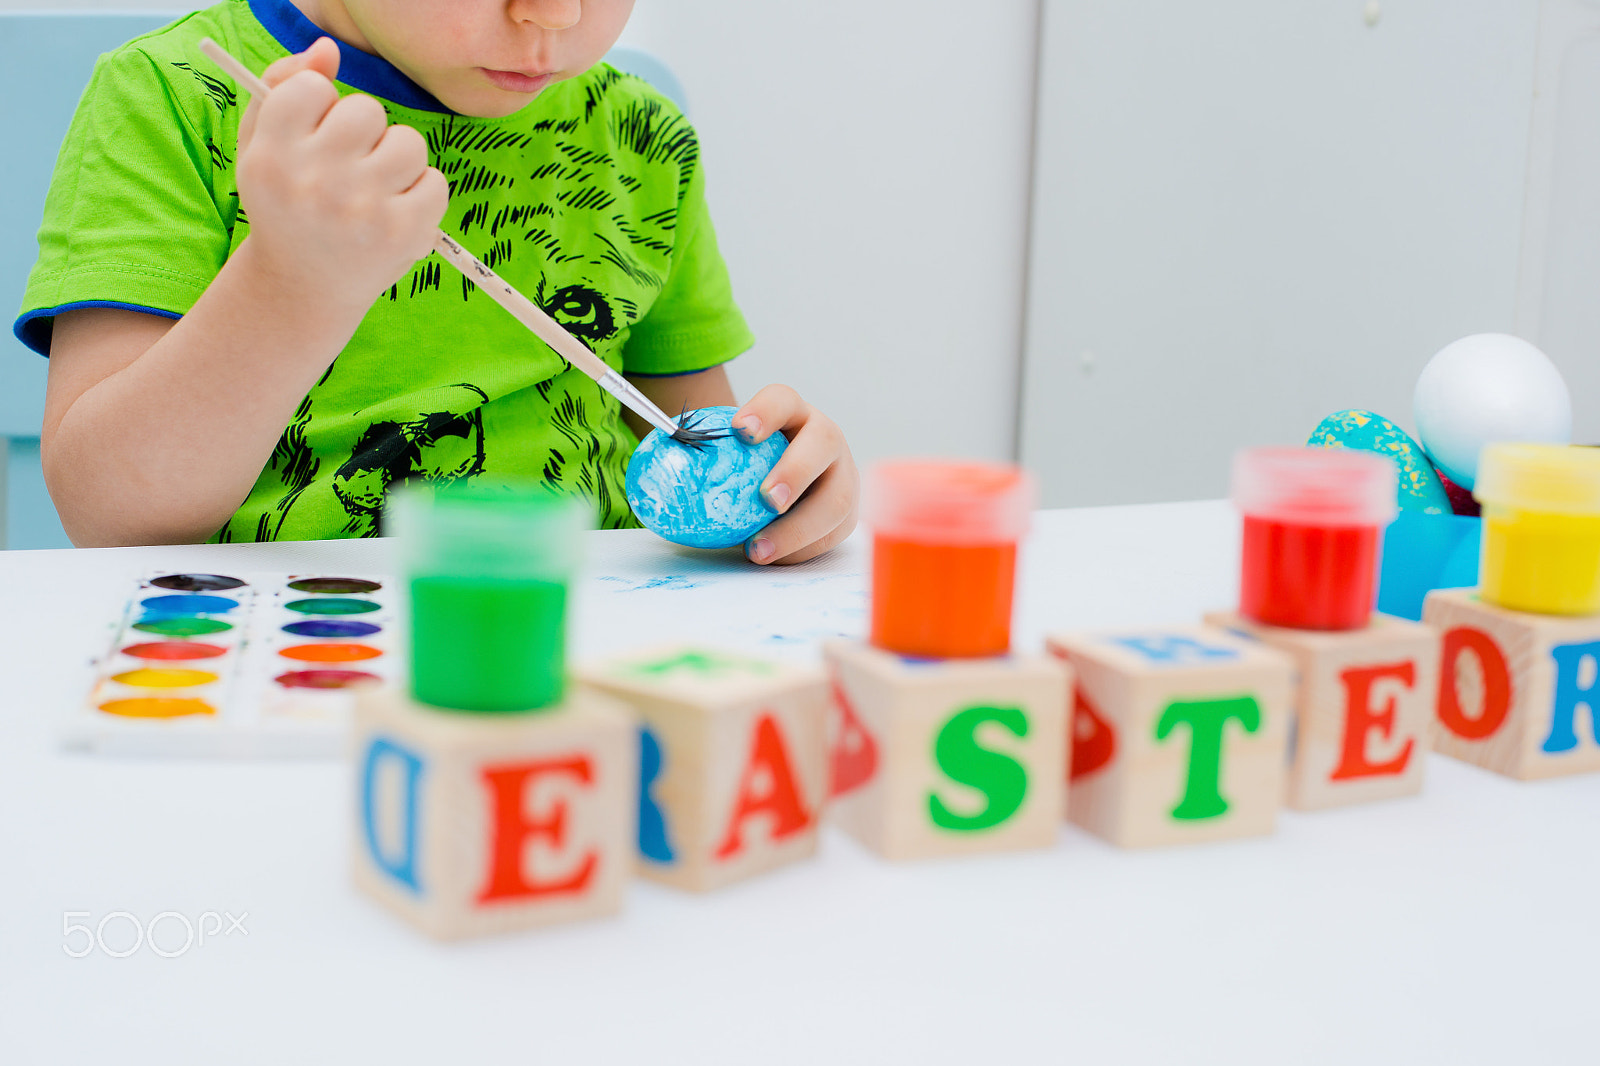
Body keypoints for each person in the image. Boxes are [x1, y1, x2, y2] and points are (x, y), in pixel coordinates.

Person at [16, 0, 858, 562]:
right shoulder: (172, 98)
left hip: (586, 645)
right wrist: (291, 284)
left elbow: (686, 441)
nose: (555, 13)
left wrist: (770, 486)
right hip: (294, 655)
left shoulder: (639, 135)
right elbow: (113, 517)